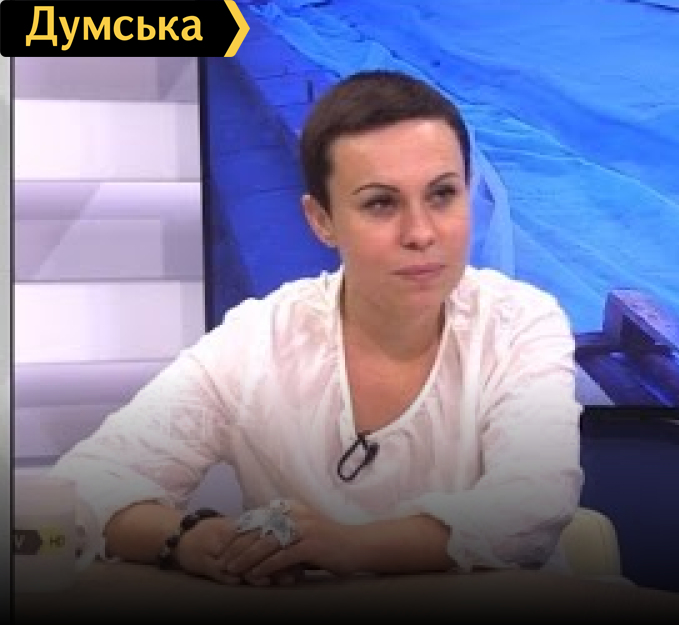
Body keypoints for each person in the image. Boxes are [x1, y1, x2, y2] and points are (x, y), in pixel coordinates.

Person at [50, 69, 585, 587]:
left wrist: (350, 547)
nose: (421, 233)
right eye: (381, 203)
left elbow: (531, 506)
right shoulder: (259, 337)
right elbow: (83, 487)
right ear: (322, 220)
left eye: (442, 194)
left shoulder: (520, 322)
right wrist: (189, 539)